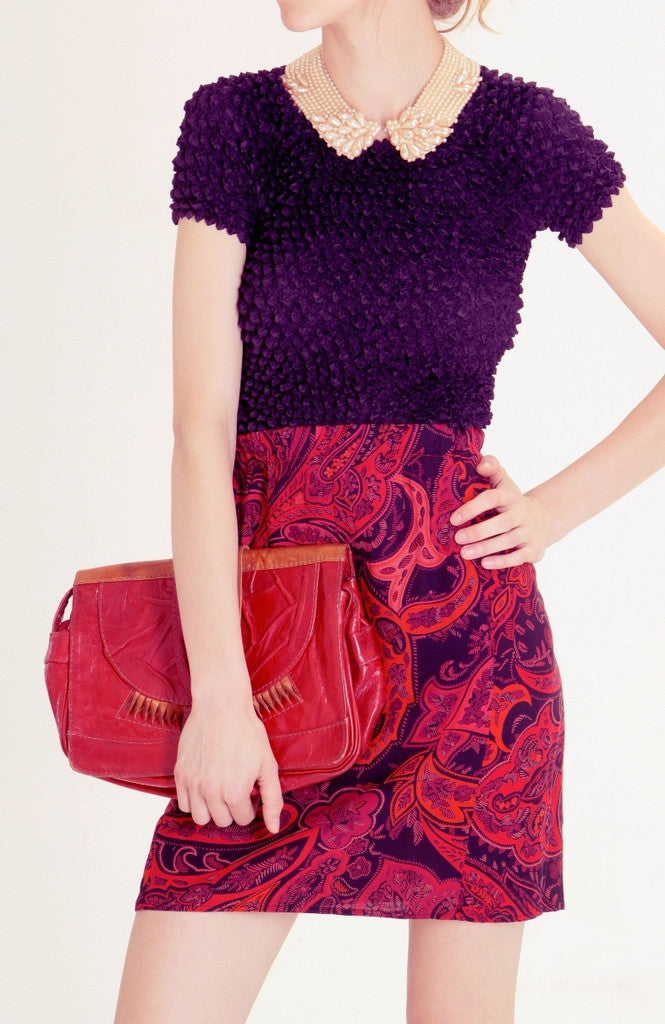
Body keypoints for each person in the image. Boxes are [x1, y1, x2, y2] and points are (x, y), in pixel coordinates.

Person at [113, 1, 665, 1022]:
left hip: (470, 679)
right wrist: (220, 698)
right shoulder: (235, 125)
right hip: (273, 675)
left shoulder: (522, 132)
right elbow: (199, 435)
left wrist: (552, 509)